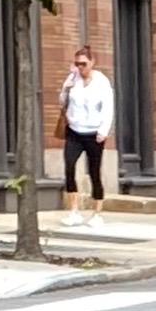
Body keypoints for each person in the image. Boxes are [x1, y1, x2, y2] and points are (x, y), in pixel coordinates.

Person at [59, 43, 118, 208]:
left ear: (92, 62)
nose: (80, 67)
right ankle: (74, 210)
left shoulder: (101, 82)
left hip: (93, 133)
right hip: (74, 130)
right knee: (69, 167)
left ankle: (97, 211)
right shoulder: (72, 79)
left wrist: (103, 130)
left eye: (83, 64)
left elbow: (108, 107)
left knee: (94, 172)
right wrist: (66, 89)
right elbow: (62, 102)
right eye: (77, 64)